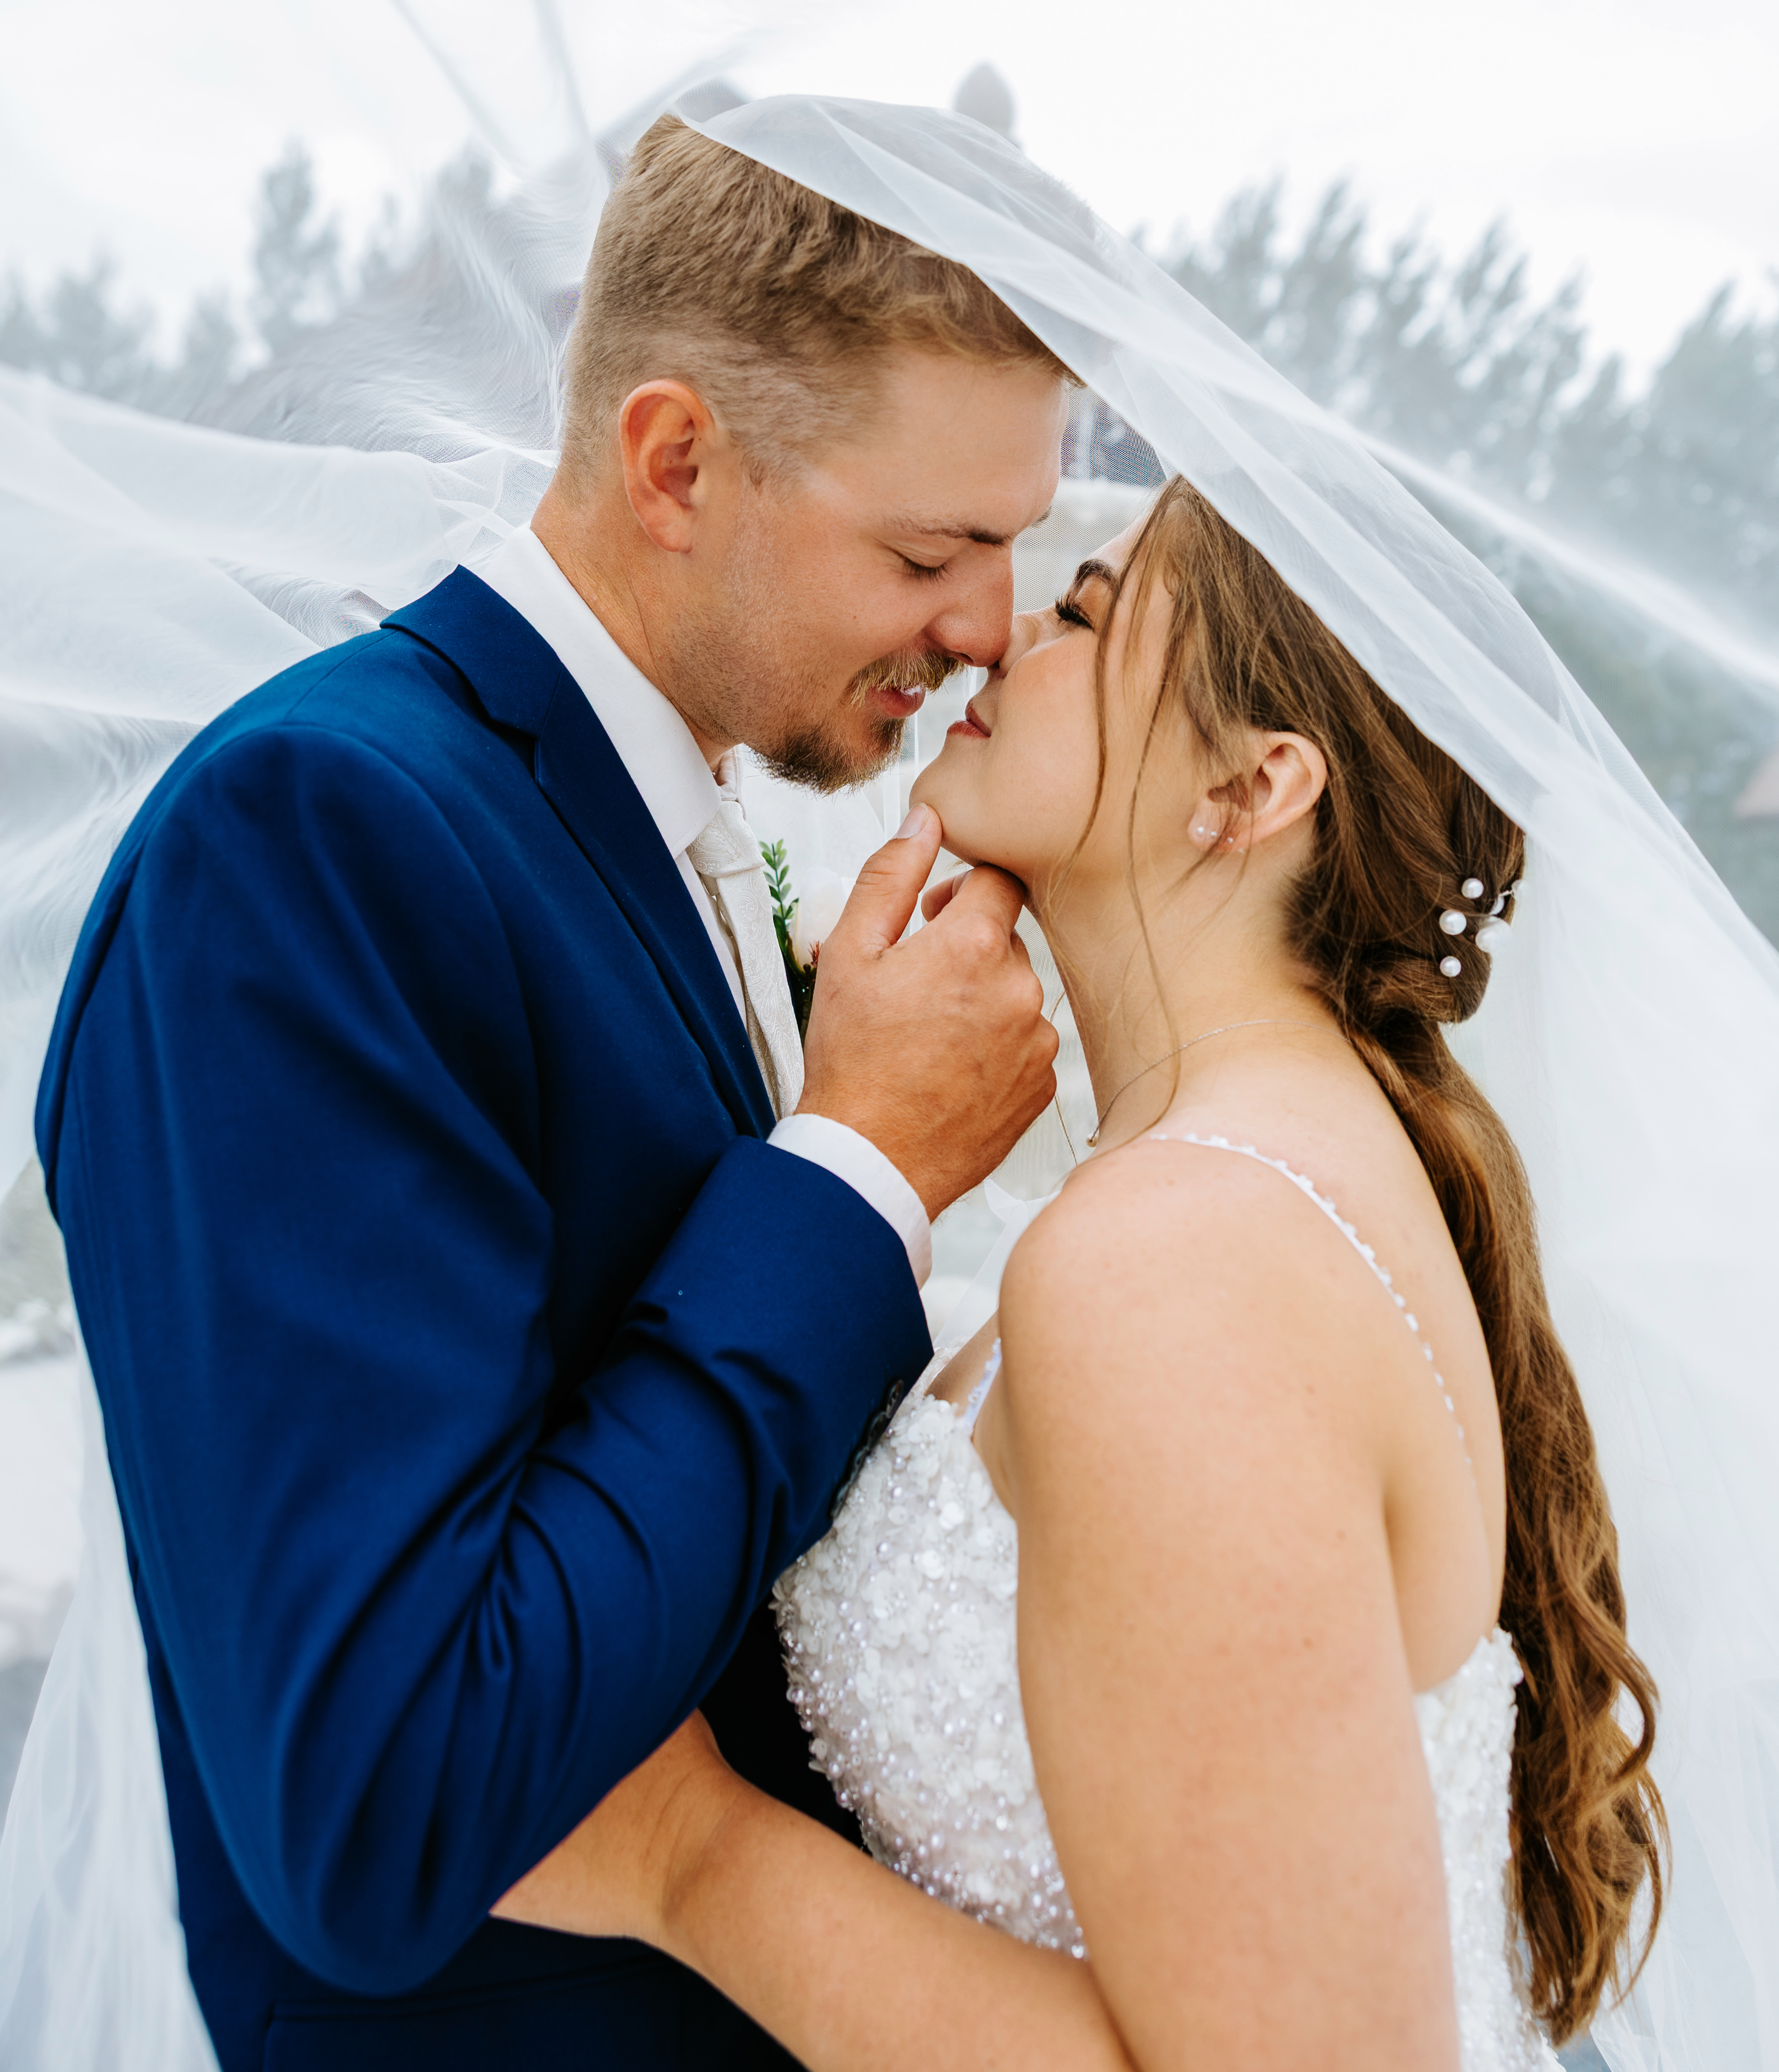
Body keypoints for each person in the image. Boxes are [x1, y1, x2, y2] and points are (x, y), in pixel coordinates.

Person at [14, 119, 1071, 2070]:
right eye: (929, 551)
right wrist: (858, 1168)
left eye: (1016, 547)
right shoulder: (316, 835)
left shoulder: (681, 823)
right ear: (675, 462)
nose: (992, 628)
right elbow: (384, 1797)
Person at [489, 476, 1665, 2069]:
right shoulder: (1278, 1168)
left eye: (1085, 617)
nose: (997, 643)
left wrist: (689, 1860)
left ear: (1255, 789)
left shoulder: (1177, 1265)